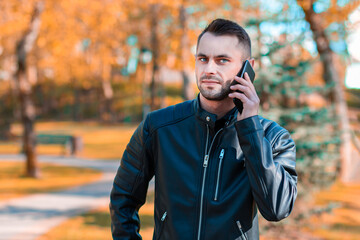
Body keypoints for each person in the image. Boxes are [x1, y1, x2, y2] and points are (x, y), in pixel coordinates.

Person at [110, 18, 297, 240]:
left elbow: (277, 209)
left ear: (249, 68)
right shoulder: (158, 127)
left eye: (222, 60)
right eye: (203, 58)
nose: (209, 69)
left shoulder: (272, 137)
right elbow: (123, 199)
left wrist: (250, 129)